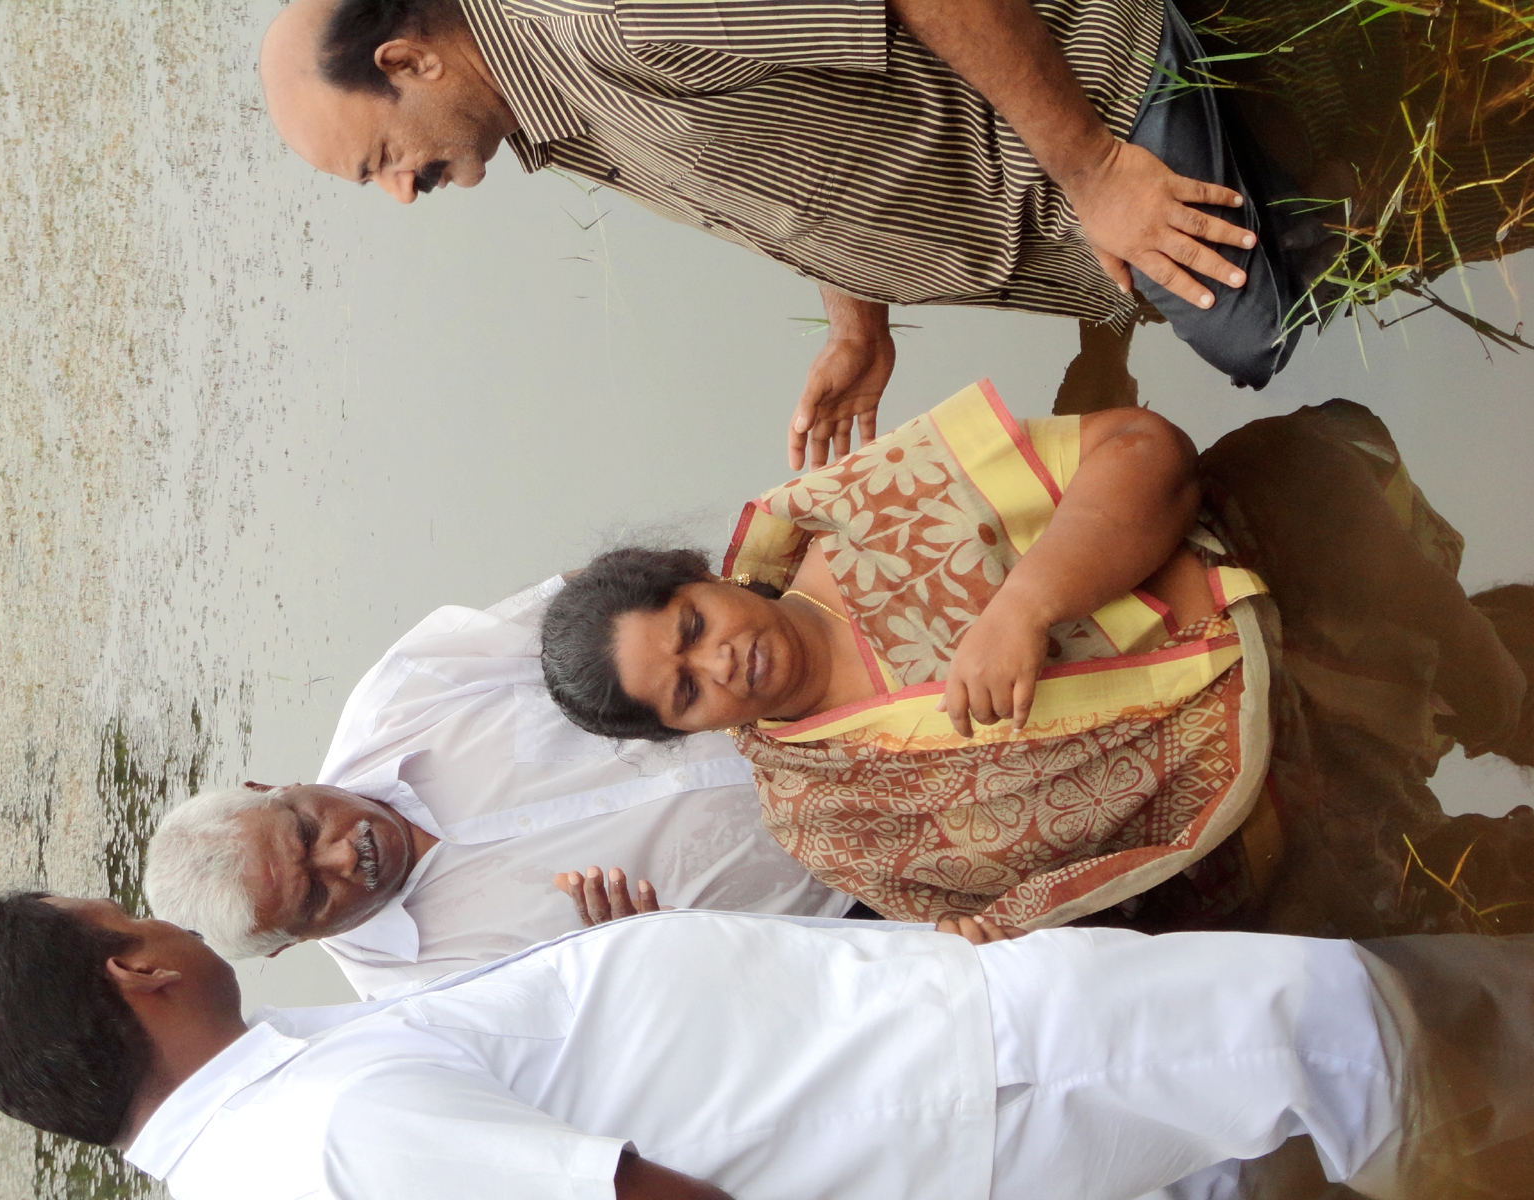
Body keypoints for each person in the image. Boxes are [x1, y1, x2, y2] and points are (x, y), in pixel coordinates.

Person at [257, 0, 1534, 465]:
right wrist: (854, 318)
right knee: (1478, 198)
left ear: (408, 59)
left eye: (380, 162)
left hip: (1207, 117)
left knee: (1490, 117)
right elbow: (808, 118)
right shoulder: (557, 107)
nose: (401, 194)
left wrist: (1090, 166)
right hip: (1177, 210)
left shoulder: (603, 21)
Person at [540, 381, 1533, 937]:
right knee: (1381, 922)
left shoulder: (851, 516)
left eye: (691, 627)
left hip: (1273, 579)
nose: (720, 663)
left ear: (698, 576)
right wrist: (990, 940)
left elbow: (1144, 449)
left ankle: (1506, 704)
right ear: (684, 731)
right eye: (685, 692)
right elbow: (1008, 928)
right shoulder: (821, 819)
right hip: (1248, 822)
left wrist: (1027, 605)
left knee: (1295, 471)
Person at [0, 892, 1534, 1199]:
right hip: (949, 1092)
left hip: (931, 1096)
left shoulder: (262, 1140)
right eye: (123, 910)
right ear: (137, 968)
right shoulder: (330, 1135)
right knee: (1347, 1025)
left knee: (1280, 1133)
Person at [144, 577, 849, 999]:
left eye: (304, 830)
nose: (343, 854)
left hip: (834, 693)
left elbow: (622, 599)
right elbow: (658, 1046)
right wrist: (631, 965)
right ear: (289, 945)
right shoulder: (427, 998)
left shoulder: (408, 694)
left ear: (272, 785)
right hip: (863, 892)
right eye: (313, 896)